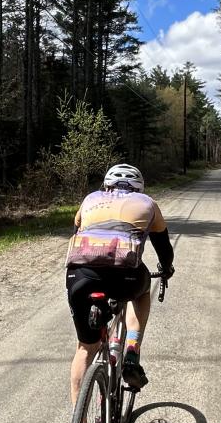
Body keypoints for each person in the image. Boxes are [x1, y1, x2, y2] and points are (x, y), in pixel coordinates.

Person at [66, 163, 174, 403]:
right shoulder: (148, 204)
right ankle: (132, 352)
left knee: (85, 348)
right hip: (126, 277)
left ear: (106, 185)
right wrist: (166, 270)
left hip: (80, 276)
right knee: (142, 292)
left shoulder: (89, 200)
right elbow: (164, 250)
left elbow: (76, 232)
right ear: (139, 188)